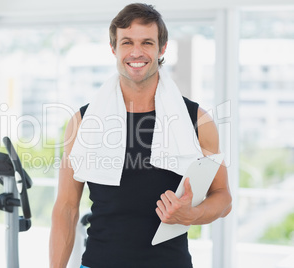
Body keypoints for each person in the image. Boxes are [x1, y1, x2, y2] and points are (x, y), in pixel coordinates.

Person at [49, 3, 232, 268]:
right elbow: (66, 208)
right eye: (127, 42)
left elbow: (223, 198)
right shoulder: (81, 122)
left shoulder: (198, 121)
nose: (136, 52)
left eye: (147, 42)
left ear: (162, 48)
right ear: (113, 48)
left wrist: (191, 214)